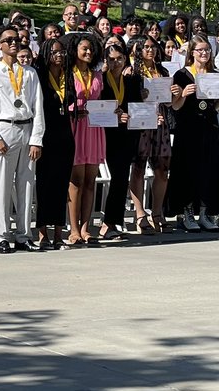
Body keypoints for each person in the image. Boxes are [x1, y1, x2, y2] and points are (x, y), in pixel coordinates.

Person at [0, 25, 45, 253]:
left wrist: (37, 139)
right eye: (8, 40)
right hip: (6, 128)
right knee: (3, 186)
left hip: (27, 127)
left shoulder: (30, 73)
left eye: (16, 39)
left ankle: (23, 235)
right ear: (0, 45)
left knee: (26, 185)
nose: (14, 43)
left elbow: (38, 108)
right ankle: (2, 235)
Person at [170, 34, 219, 232]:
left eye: (207, 50)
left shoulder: (215, 74)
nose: (204, 53)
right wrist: (184, 95)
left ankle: (205, 212)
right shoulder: (182, 74)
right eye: (200, 50)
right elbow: (175, 106)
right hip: (188, 128)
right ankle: (186, 212)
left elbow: (216, 106)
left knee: (209, 170)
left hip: (209, 127)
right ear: (192, 53)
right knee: (187, 170)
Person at [99, 39, 144, 241]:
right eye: (112, 59)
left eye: (120, 59)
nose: (116, 63)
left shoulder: (132, 80)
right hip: (106, 135)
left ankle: (112, 223)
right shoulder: (101, 80)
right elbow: (96, 107)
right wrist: (113, 115)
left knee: (120, 179)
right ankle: (107, 222)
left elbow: (137, 106)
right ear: (106, 60)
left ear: (126, 59)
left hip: (127, 136)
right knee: (115, 178)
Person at [32, 37, 75, 248]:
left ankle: (59, 231)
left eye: (62, 52)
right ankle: (42, 232)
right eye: (55, 52)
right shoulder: (39, 76)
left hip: (65, 133)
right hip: (45, 134)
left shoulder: (68, 75)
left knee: (61, 184)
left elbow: (72, 99)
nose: (59, 56)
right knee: (44, 184)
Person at [129, 36, 173, 233]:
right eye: (145, 47)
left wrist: (174, 93)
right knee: (138, 168)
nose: (150, 50)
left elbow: (169, 102)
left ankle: (157, 212)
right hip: (141, 124)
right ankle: (140, 214)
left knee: (162, 170)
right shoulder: (132, 72)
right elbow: (129, 101)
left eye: (152, 47)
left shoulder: (162, 71)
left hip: (161, 124)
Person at [66, 32, 105, 245]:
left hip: (94, 129)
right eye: (84, 49)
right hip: (75, 127)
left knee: (91, 181)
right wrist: (74, 110)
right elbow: (63, 102)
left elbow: (102, 100)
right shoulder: (68, 75)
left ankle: (85, 228)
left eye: (91, 49)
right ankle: (72, 229)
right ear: (76, 51)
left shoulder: (98, 76)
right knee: (76, 180)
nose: (88, 52)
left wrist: (112, 111)